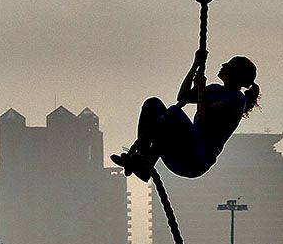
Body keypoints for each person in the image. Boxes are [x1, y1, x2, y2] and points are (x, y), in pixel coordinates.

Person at [111, 53, 259, 182]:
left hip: (196, 159)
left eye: (229, 64)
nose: (223, 65)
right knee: (152, 104)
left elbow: (203, 118)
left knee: (173, 113)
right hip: (183, 153)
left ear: (236, 74)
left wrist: (200, 88)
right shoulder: (215, 89)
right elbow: (183, 97)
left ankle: (144, 161)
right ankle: (142, 159)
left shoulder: (237, 99)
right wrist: (195, 65)